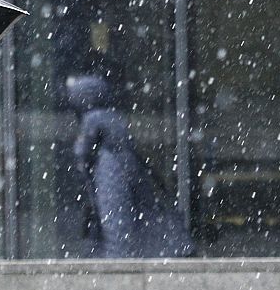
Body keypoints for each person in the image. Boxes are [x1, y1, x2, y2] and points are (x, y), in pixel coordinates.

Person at [68, 73, 193, 258]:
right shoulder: (118, 135)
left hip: (134, 258)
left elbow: (116, 221)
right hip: (156, 250)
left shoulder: (107, 157)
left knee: (114, 224)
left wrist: (115, 265)